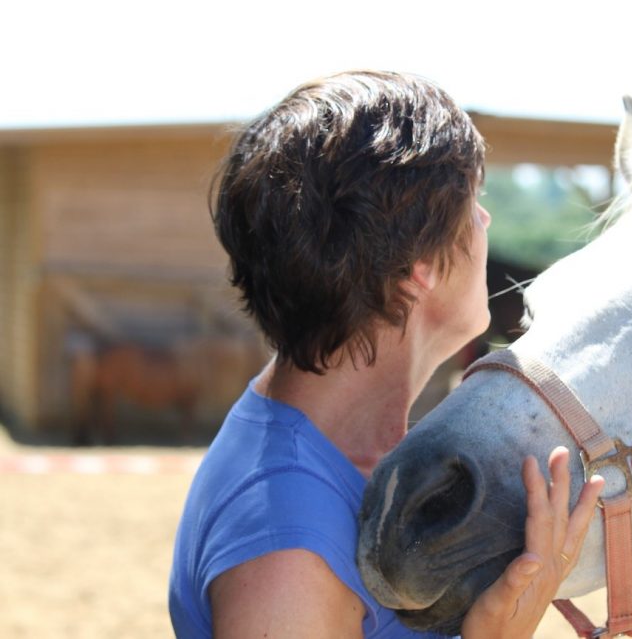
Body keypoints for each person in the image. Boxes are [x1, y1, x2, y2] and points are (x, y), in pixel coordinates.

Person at [168, 70, 604, 638]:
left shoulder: (337, 446)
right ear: (415, 268)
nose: (486, 220)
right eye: (473, 202)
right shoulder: (289, 556)